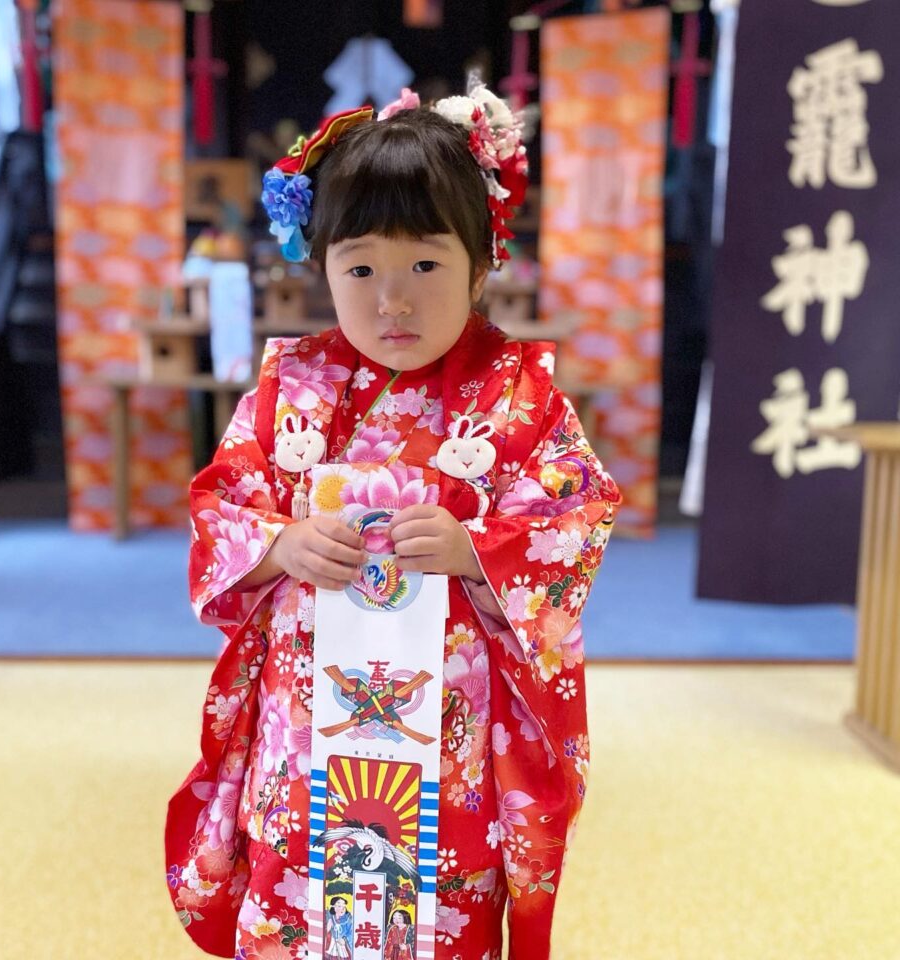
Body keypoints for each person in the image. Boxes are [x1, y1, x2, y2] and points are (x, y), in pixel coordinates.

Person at [165, 79, 621, 960]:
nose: (392, 300)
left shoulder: (519, 396)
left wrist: (475, 549)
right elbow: (222, 505)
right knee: (299, 876)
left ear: (482, 261)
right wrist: (278, 544)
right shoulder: (287, 387)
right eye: (361, 267)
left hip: (449, 718)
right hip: (307, 713)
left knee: (437, 881)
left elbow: (578, 514)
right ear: (323, 264)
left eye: (426, 264)